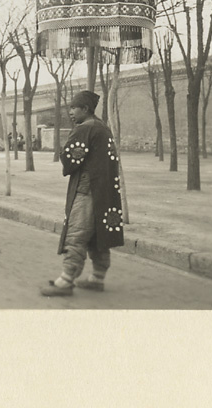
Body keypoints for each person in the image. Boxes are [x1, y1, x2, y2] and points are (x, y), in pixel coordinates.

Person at [40, 90, 124, 297]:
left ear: (85, 109)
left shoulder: (83, 129)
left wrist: (64, 150)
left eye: (73, 108)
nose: (70, 112)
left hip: (87, 191)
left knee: (76, 234)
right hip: (106, 192)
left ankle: (66, 281)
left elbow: (70, 159)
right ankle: (97, 278)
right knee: (99, 235)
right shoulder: (103, 127)